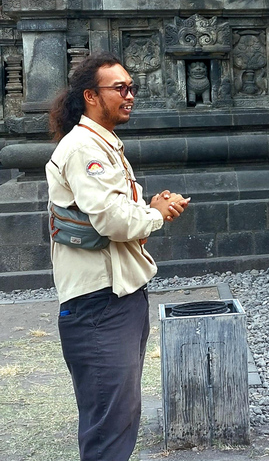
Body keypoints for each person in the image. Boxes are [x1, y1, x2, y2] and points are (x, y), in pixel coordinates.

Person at [45, 51, 190, 461]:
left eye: (132, 88)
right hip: (99, 303)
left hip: (117, 296)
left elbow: (116, 212)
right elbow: (113, 220)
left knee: (119, 416)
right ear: (91, 96)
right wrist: (156, 214)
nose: (130, 95)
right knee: (109, 425)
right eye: (120, 88)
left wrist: (149, 208)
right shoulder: (83, 148)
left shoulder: (103, 144)